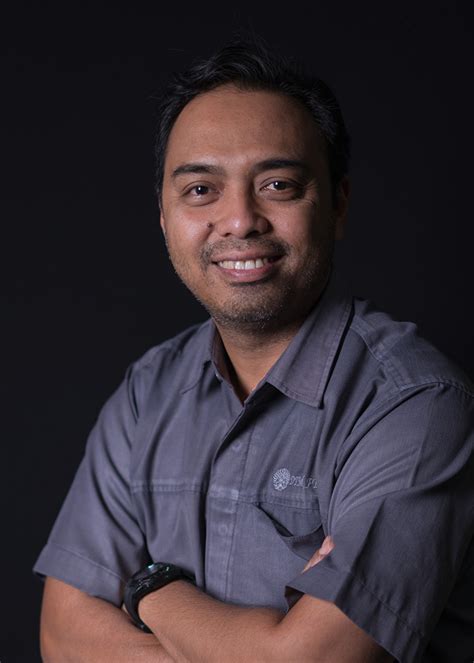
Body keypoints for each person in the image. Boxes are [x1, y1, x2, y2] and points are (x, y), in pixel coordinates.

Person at [35, 38, 474, 663]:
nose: (240, 220)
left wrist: (149, 591)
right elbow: (61, 636)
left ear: (338, 205)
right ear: (163, 217)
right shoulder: (146, 393)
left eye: (277, 184)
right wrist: (259, 645)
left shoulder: (416, 406)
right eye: (200, 190)